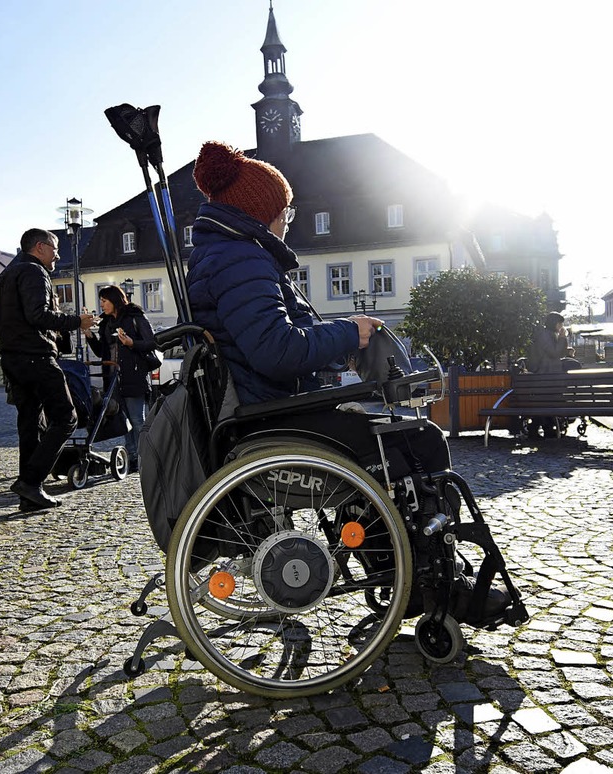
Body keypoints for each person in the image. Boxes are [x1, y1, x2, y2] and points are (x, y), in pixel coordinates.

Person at [185, 141, 509, 622]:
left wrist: (336, 338)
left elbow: (271, 342)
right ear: (264, 212)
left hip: (266, 408)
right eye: (287, 212)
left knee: (392, 442)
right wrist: (348, 333)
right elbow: (276, 350)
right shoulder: (242, 260)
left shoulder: (226, 256)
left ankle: (408, 571)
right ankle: (426, 580)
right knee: (417, 439)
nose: (287, 222)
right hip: (270, 415)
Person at [0, 228, 95, 510]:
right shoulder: (34, 272)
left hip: (13, 358)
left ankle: (29, 494)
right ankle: (31, 481)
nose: (58, 254)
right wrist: (77, 321)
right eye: (54, 248)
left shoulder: (9, 275)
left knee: (30, 424)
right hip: (35, 356)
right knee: (66, 417)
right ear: (39, 247)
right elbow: (38, 315)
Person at [84, 285, 155, 472]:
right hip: (113, 378)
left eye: (104, 301)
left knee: (137, 420)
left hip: (134, 374)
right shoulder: (106, 323)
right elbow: (101, 351)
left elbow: (151, 343)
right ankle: (132, 458)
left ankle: (145, 458)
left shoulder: (134, 317)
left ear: (114, 300)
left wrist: (131, 343)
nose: (101, 305)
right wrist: (89, 335)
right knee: (124, 422)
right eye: (101, 301)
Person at [527, 311, 581, 437]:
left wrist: (565, 347)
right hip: (546, 375)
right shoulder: (545, 335)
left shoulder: (548, 334)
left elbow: (556, 353)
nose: (561, 326)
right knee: (547, 401)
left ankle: (544, 428)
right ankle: (539, 428)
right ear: (554, 323)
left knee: (547, 401)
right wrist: (562, 338)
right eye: (560, 323)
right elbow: (554, 353)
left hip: (549, 375)